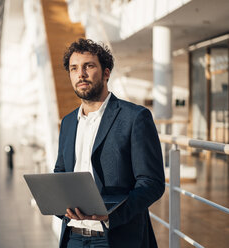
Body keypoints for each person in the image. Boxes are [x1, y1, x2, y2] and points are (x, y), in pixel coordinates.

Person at [54, 38, 165, 248]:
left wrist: (109, 215)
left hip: (116, 236)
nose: (81, 74)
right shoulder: (68, 122)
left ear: (106, 73)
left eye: (89, 66)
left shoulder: (135, 117)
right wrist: (62, 205)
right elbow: (61, 170)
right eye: (74, 68)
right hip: (73, 236)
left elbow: (152, 183)